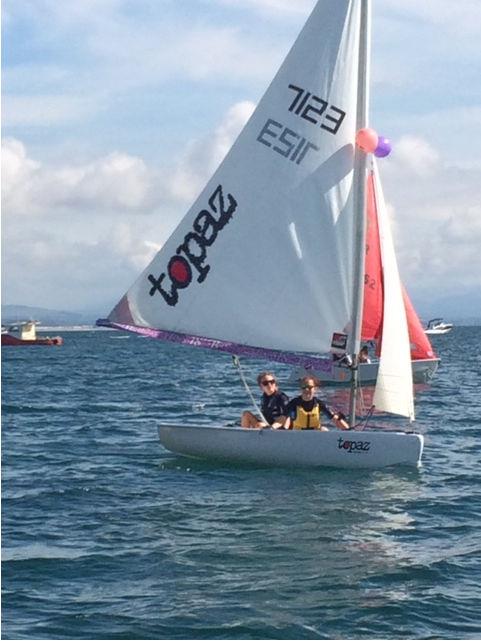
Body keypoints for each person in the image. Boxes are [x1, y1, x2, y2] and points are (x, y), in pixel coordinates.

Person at [281, 376, 349, 431]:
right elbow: (282, 418)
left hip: (315, 435)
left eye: (310, 387)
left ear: (315, 389)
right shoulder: (293, 403)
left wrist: (348, 430)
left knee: (324, 430)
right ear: (301, 389)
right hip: (298, 435)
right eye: (304, 387)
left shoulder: (319, 404)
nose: (307, 390)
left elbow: (334, 418)